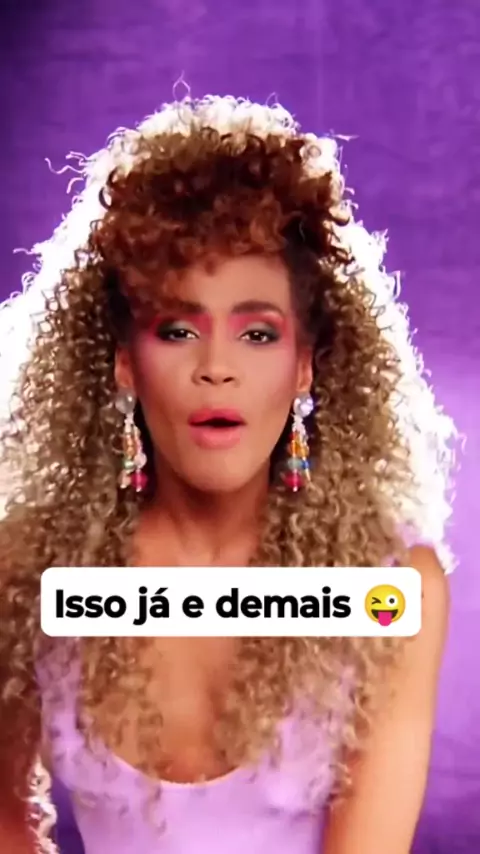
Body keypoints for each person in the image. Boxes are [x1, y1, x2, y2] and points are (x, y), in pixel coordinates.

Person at [0, 94, 456, 854]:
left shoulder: (390, 588)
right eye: (178, 328)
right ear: (123, 362)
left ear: (306, 365)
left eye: (257, 333)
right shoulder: (25, 570)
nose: (217, 368)